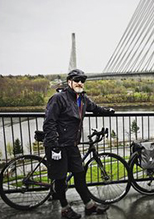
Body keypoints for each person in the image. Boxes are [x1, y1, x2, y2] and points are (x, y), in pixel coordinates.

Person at [43, 69, 114, 219]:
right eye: (77, 80)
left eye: (82, 81)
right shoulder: (58, 98)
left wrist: (108, 111)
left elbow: (95, 108)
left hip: (72, 145)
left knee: (80, 174)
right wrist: (54, 145)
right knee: (61, 179)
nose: (80, 83)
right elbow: (49, 122)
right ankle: (65, 209)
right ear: (69, 82)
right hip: (59, 146)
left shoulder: (82, 99)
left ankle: (90, 206)